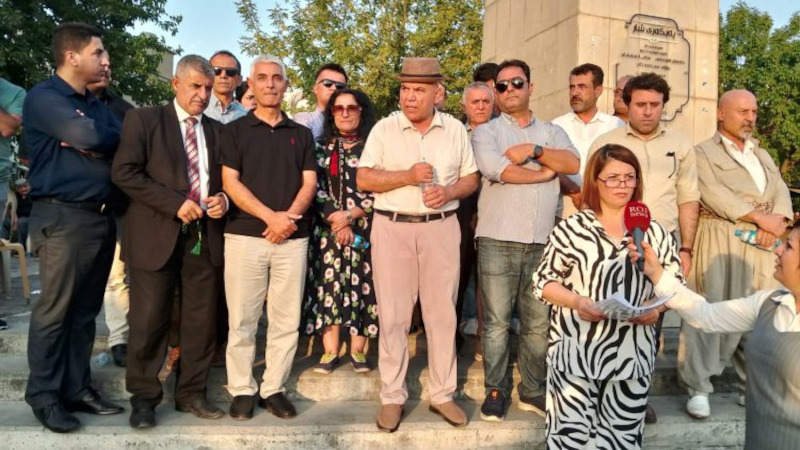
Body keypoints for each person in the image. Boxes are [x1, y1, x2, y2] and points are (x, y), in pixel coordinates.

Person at [357, 57, 479, 432]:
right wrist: (407, 176)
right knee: (393, 316)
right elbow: (364, 179)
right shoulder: (384, 129)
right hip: (392, 227)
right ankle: (393, 397)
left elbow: (471, 178)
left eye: (419, 90)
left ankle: (443, 394)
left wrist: (449, 192)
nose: (409, 97)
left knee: (442, 315)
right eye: (405, 88)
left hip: (440, 228)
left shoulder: (455, 129)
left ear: (437, 93)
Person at [535, 144, 683, 449]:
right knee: (570, 442)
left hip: (631, 357)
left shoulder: (654, 232)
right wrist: (576, 302)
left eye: (629, 177)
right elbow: (543, 282)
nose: (622, 185)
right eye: (613, 178)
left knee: (621, 442)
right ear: (595, 180)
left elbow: (675, 284)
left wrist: (656, 310)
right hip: (576, 354)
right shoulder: (572, 229)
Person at [112, 54, 229, 428]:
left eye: (208, 88)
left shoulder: (217, 131)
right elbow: (124, 173)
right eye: (195, 86)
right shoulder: (144, 120)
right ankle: (144, 399)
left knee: (200, 323)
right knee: (148, 322)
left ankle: (191, 394)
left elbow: (227, 181)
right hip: (154, 235)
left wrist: (223, 199)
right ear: (175, 84)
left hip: (203, 239)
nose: (203, 95)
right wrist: (174, 203)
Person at [23, 22, 124, 433]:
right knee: (55, 312)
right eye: (98, 52)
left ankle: (77, 388)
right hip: (62, 217)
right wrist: (92, 140)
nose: (105, 59)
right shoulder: (45, 97)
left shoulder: (92, 102)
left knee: (84, 313)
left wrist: (94, 143)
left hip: (100, 216)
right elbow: (88, 134)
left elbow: (118, 137)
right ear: (72, 56)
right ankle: (44, 396)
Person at [472, 59, 580, 422]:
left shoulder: (551, 132)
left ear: (530, 87)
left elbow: (572, 163)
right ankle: (496, 389)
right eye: (501, 86)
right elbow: (498, 170)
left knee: (538, 323)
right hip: (497, 239)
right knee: (497, 324)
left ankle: (533, 389)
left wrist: (535, 151)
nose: (509, 90)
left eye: (516, 83)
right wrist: (545, 173)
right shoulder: (486, 133)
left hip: (542, 242)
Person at [588, 72, 699, 423]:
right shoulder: (606, 143)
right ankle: (598, 391)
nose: (648, 111)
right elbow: (590, 196)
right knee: (608, 320)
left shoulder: (681, 145)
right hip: (613, 244)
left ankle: (638, 394)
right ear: (627, 104)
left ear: (664, 105)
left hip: (660, 247)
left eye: (655, 104)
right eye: (640, 104)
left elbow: (688, 198)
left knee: (651, 321)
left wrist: (686, 249)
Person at [633, 220, 800, 450]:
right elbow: (706, 315)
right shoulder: (768, 302)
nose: (778, 250)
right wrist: (657, 274)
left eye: (789, 246)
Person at [679, 89, 793, 419]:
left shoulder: (762, 154)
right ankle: (698, 387)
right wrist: (759, 218)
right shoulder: (701, 152)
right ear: (720, 114)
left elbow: (780, 189)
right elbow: (713, 193)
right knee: (712, 308)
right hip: (721, 238)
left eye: (754, 112)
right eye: (743, 111)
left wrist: (778, 221)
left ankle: (750, 387)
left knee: (763, 315)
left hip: (764, 244)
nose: (750, 118)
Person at [220, 55, 316, 421]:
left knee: (285, 320)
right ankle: (242, 389)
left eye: (277, 78)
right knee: (242, 320)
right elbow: (230, 182)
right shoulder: (235, 131)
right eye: (262, 77)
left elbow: (309, 183)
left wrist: (286, 220)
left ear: (286, 85)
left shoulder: (301, 134)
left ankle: (273, 388)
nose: (270, 84)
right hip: (245, 236)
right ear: (251, 84)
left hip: (292, 238)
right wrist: (270, 218)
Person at [304, 89, 378, 374]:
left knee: (364, 285)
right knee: (328, 286)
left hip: (364, 228)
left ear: (361, 111)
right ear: (331, 113)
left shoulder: (374, 147)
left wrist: (352, 215)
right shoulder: (320, 148)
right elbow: (315, 188)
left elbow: (380, 189)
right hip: (328, 230)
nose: (345, 113)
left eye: (351, 107)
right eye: (339, 108)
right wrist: (337, 220)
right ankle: (330, 351)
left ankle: (358, 351)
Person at [88, 63, 134, 368]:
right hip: (75, 207)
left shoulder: (124, 110)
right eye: (98, 62)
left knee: (118, 275)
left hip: (119, 204)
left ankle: (120, 339)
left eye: (108, 65)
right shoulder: (59, 105)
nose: (105, 69)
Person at [552, 63, 624, 217]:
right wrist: (574, 192)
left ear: (598, 90)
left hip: (605, 210)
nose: (575, 93)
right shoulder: (556, 125)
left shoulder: (615, 125)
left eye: (582, 87)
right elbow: (550, 166)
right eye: (572, 87)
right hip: (564, 210)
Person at [457, 82, 494, 356]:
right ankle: (452, 336)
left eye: (485, 101)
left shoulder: (501, 134)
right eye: (475, 102)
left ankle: (484, 336)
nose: (480, 107)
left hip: (494, 211)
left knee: (487, 277)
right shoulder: (455, 133)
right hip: (460, 211)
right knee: (457, 274)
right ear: (465, 106)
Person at [294, 63, 348, 141]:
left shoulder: (355, 122)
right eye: (327, 83)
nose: (334, 88)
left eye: (340, 86)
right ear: (315, 88)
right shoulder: (304, 119)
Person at [204, 50, 249, 123]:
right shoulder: (196, 110)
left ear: (239, 80)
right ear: (208, 76)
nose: (223, 75)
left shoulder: (247, 116)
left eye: (230, 72)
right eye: (216, 70)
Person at [1, 178, 32, 250]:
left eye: (25, 186)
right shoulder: (15, 196)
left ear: (29, 186)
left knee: (21, 222)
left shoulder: (33, 195)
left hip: (30, 219)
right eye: (20, 187)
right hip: (17, 219)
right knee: (5, 222)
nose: (23, 189)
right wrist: (14, 218)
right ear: (17, 189)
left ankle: (21, 248)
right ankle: (3, 246)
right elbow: (11, 208)